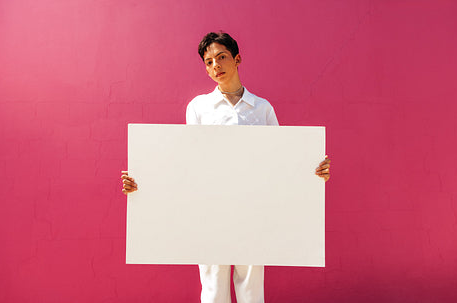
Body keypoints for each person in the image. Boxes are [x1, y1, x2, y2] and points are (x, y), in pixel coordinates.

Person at [121, 32, 331, 303]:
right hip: (209, 208)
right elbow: (185, 162)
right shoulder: (199, 107)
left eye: (221, 58)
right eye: (208, 62)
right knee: (212, 289)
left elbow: (280, 160)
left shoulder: (261, 109)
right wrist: (143, 179)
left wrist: (313, 172)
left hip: (253, 209)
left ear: (237, 59)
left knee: (251, 289)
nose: (215, 66)